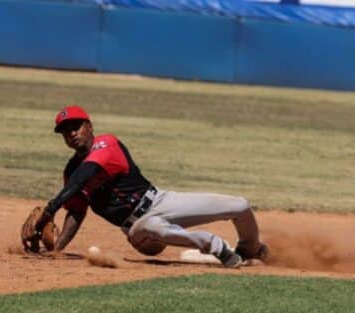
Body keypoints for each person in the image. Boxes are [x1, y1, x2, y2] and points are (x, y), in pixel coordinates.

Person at [32, 106, 267, 268]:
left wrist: (50, 209)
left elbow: (84, 176)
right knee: (152, 225)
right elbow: (76, 212)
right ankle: (216, 246)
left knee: (240, 205)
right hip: (139, 232)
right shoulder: (70, 171)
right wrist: (57, 250)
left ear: (89, 126)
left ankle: (251, 248)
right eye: (65, 131)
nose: (71, 134)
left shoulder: (106, 144)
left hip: (161, 201)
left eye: (76, 126)